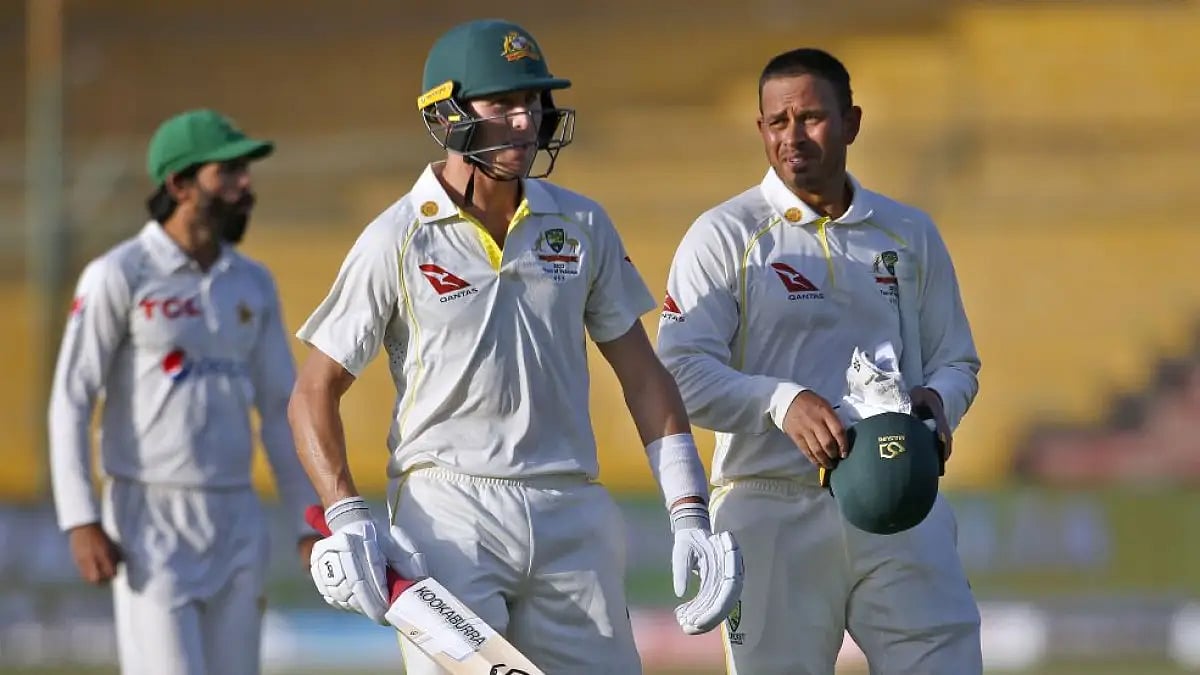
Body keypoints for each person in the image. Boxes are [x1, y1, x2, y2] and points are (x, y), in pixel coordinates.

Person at [288, 18, 742, 674]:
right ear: (446, 114)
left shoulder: (581, 222)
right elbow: (313, 392)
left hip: (571, 510)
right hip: (449, 514)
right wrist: (348, 510)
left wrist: (688, 507)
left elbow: (642, 374)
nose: (525, 122)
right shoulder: (397, 237)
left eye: (532, 104)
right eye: (503, 105)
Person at [655, 47, 983, 674]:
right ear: (760, 130)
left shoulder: (908, 232)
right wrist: (781, 402)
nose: (792, 136)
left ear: (852, 122)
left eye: (810, 117)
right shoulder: (724, 234)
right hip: (770, 506)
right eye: (777, 122)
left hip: (900, 500)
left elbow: (956, 362)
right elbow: (679, 373)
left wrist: (938, 401)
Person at [48, 109, 321, 675]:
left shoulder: (253, 282)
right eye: (229, 172)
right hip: (150, 516)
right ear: (179, 184)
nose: (245, 185)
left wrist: (306, 520)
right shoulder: (118, 274)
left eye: (245, 171)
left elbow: (280, 409)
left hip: (237, 515)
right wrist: (80, 520)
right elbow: (73, 399)